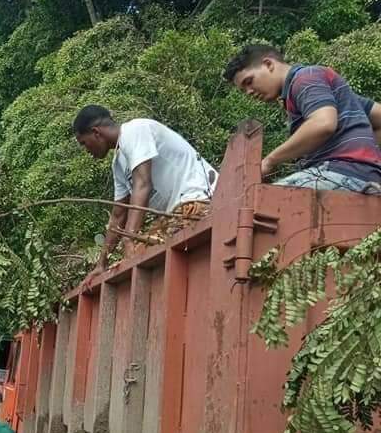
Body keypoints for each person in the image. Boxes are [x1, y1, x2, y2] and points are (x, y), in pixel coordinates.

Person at [72, 105, 218, 276]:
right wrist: (102, 263)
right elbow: (119, 215)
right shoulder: (118, 164)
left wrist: (129, 238)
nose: (86, 150)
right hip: (173, 216)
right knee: (142, 253)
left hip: (198, 202)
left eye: (84, 143)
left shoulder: (135, 131)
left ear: (96, 132)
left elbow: (143, 184)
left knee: (144, 254)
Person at [223, 44, 381, 192]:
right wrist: (365, 150)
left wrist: (269, 161)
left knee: (257, 203)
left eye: (249, 82)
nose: (249, 92)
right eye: (244, 90)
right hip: (362, 176)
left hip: (340, 172)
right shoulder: (328, 89)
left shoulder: (305, 78)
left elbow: (323, 124)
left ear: (268, 64)